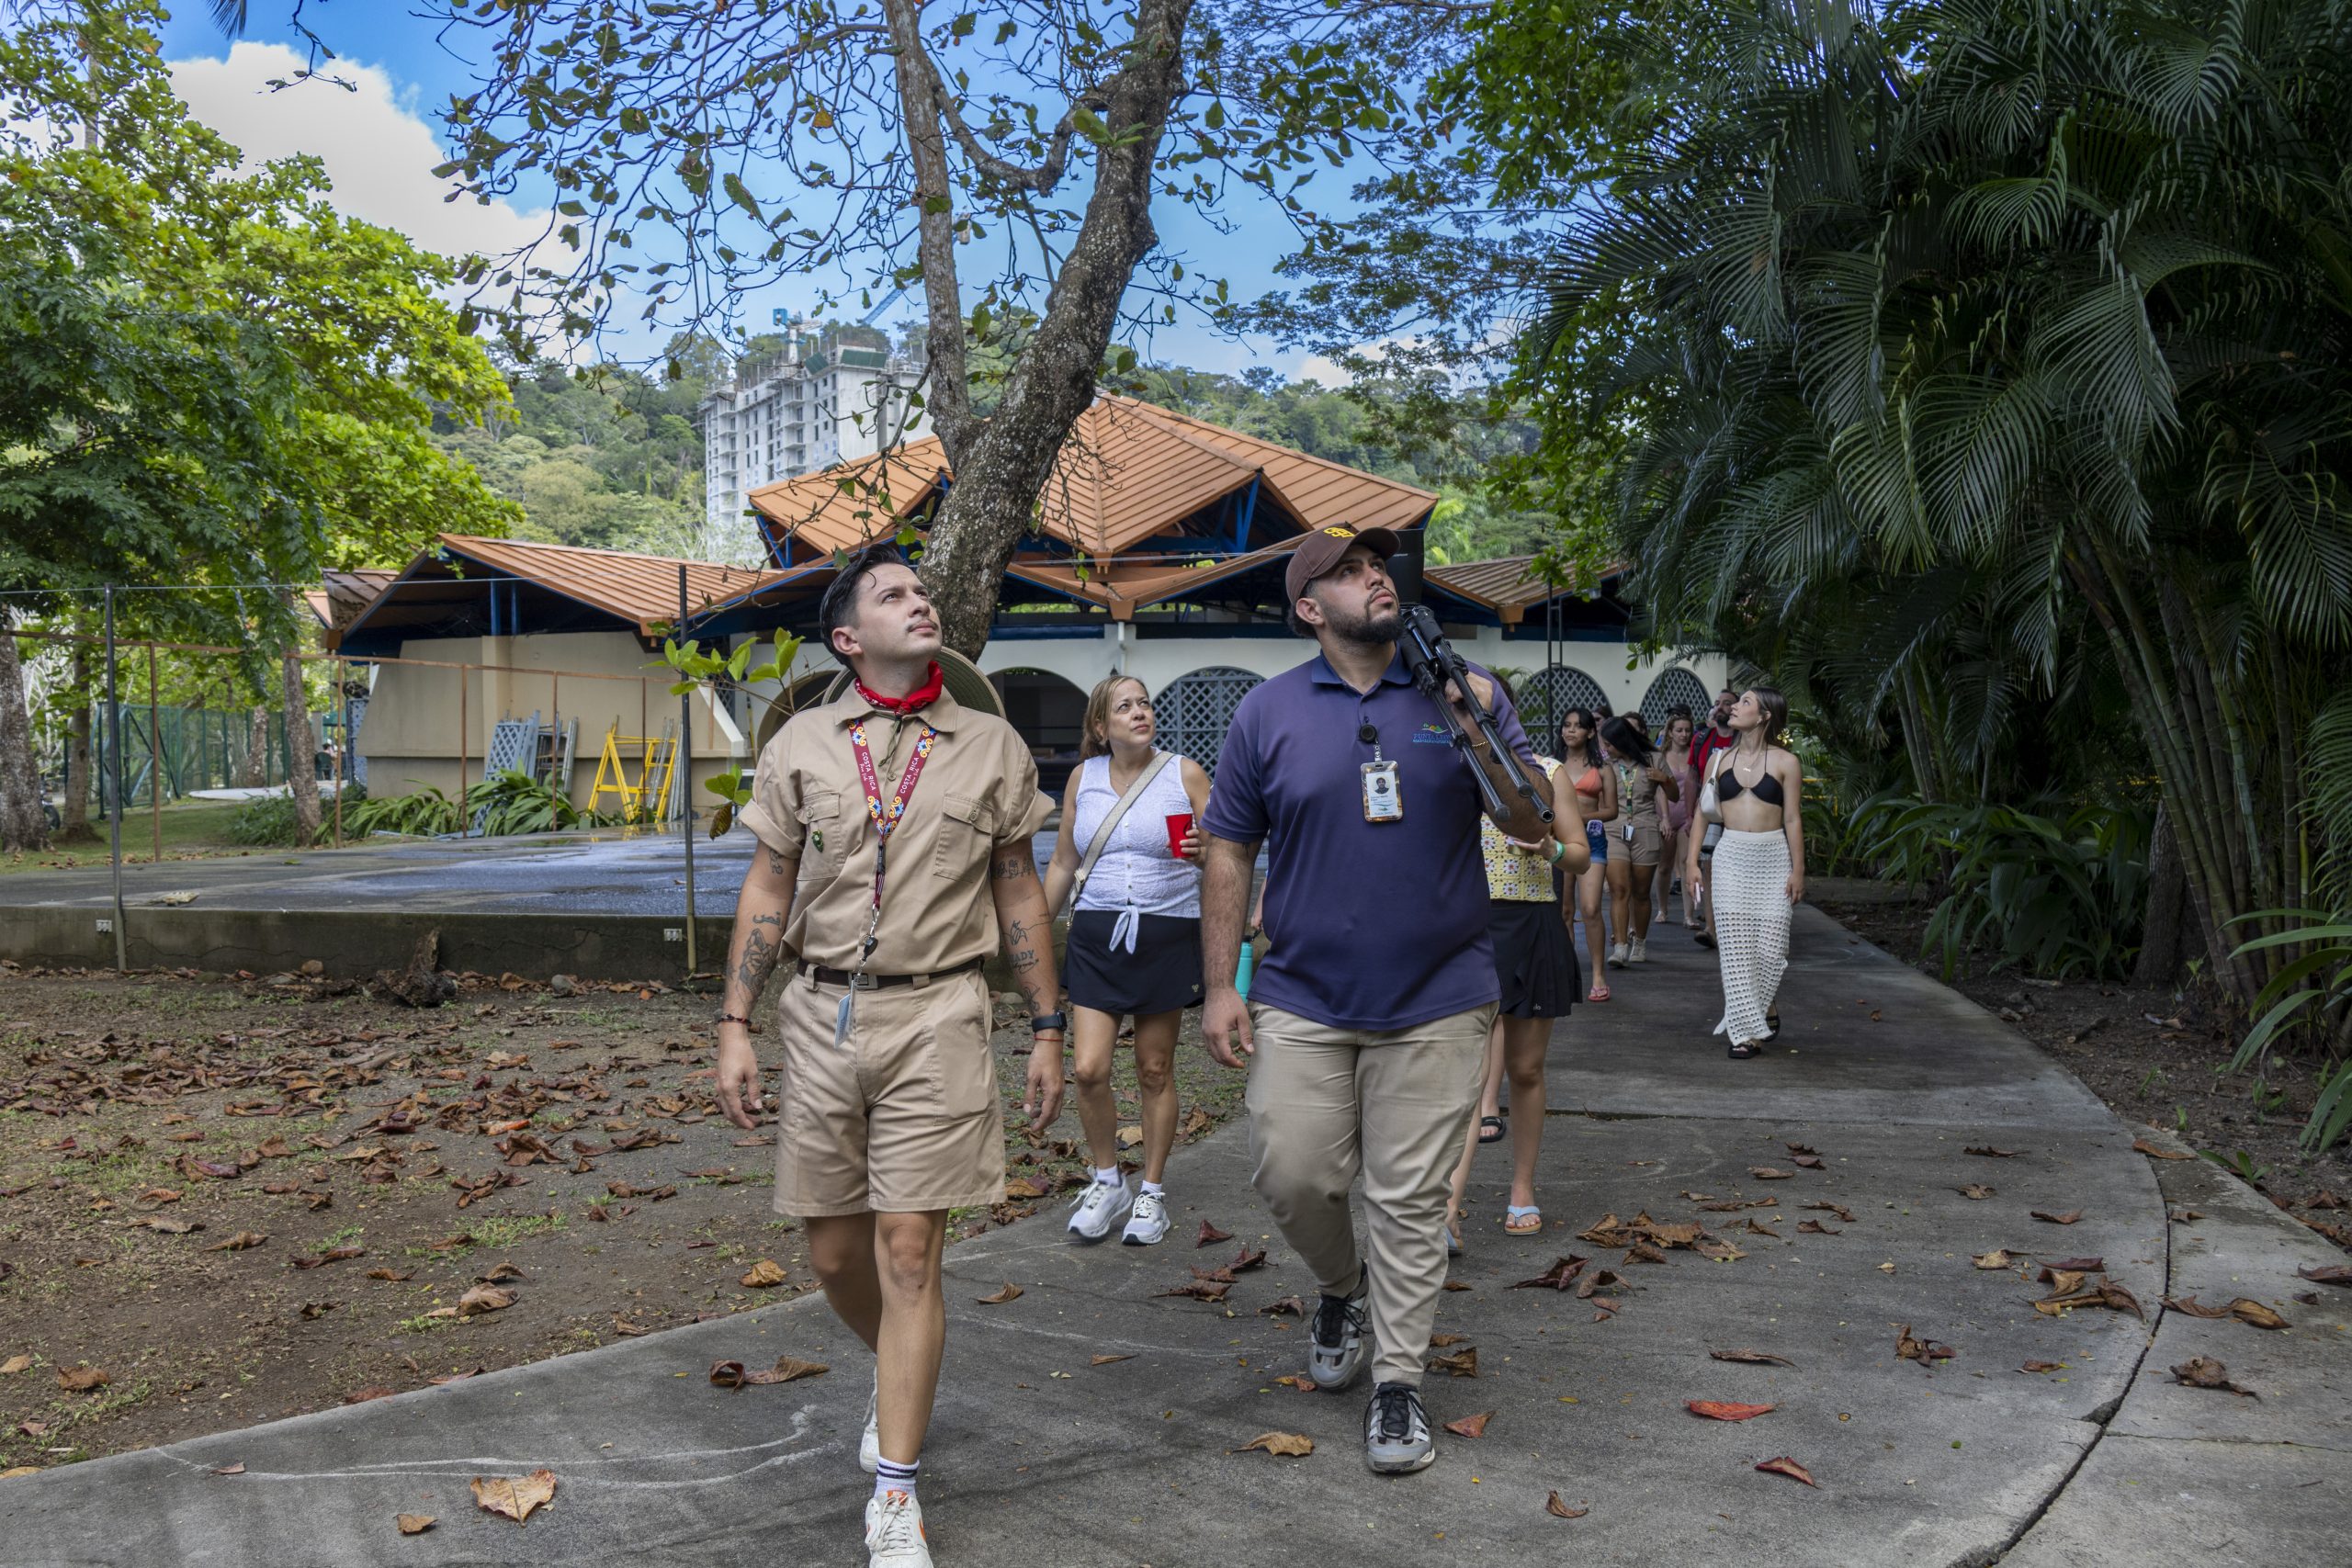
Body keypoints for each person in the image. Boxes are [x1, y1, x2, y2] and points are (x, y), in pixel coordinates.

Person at [715, 546, 1064, 1568]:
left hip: (940, 1016)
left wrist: (1046, 1026)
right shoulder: (802, 747)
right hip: (820, 1017)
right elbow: (768, 887)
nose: (922, 602)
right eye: (895, 594)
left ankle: (896, 1493)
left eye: (924, 591)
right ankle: (898, 1373)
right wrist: (735, 1020)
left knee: (909, 1250)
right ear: (847, 635)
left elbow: (1017, 892)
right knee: (833, 1253)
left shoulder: (994, 747)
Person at [1199, 523, 1548, 1477]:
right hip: (1301, 993)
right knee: (1293, 1170)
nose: (1373, 580)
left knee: (1408, 1200)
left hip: (1440, 993)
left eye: (1376, 566)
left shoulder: (1465, 692)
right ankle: (1339, 1287)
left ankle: (1398, 1386)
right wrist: (1220, 986)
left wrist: (1467, 720)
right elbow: (1228, 847)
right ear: (1310, 610)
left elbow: (1530, 826)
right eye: (1346, 573)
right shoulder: (1265, 713)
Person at [1041, 675, 1211, 1246]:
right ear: (1100, 726)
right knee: (1088, 1068)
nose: (1140, 713)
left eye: (1145, 704)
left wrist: (1207, 849)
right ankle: (1108, 1179)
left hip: (1167, 929)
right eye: (1125, 707)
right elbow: (1065, 860)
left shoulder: (1183, 773)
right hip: (1098, 931)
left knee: (1154, 1069)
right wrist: (1037, 933)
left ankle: (1152, 1193)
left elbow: (1223, 849)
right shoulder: (1082, 779)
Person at [1445, 720, 1588, 1248]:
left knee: (1525, 1069)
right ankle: (1448, 1208)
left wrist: (1549, 849)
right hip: (1465, 927)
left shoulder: (1546, 775)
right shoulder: (1449, 769)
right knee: (1465, 1074)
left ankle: (1522, 1188)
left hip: (1531, 924)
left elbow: (1580, 855)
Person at [1687, 686, 1805, 1060]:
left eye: (1745, 703)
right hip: (1731, 858)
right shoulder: (1719, 760)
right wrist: (1691, 862)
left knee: (1772, 949)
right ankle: (1744, 1034)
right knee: (1736, 951)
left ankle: (1761, 1009)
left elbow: (1792, 818)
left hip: (1773, 857)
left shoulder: (1787, 762)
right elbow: (1702, 815)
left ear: (1765, 715)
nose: (1734, 707)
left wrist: (1799, 870)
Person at [1601, 715, 1677, 966]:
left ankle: (1640, 943)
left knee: (1642, 893)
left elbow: (1674, 795)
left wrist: (1664, 779)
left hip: (1645, 828)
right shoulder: (1605, 765)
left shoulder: (1654, 759)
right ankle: (1620, 947)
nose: (1606, 748)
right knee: (1619, 889)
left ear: (1623, 740)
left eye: (1610, 744)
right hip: (1614, 828)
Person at [1558, 707, 1617, 999]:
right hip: (1559, 842)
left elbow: (1612, 809)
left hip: (1592, 839)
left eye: (1577, 726)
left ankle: (1598, 974)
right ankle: (1570, 975)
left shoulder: (1602, 767)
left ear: (1590, 732)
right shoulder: (1551, 765)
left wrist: (1578, 819)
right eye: (1566, 726)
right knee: (1564, 912)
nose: (1570, 731)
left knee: (1591, 909)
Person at [1686, 689, 1739, 949]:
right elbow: (1692, 777)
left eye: (1727, 704)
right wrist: (1689, 814)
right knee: (1707, 866)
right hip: (1709, 811)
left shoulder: (1744, 739)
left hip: (1739, 813)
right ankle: (1711, 926)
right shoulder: (1702, 739)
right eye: (1718, 703)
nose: (1720, 707)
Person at [1657, 710, 1699, 930]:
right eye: (1679, 730)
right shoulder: (1660, 756)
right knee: (1664, 866)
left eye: (1687, 730)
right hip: (1666, 815)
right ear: (1670, 732)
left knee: (1685, 864)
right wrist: (1663, 817)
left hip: (1687, 815)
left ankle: (1688, 915)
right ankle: (1663, 909)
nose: (1684, 734)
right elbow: (1658, 789)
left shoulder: (1694, 754)